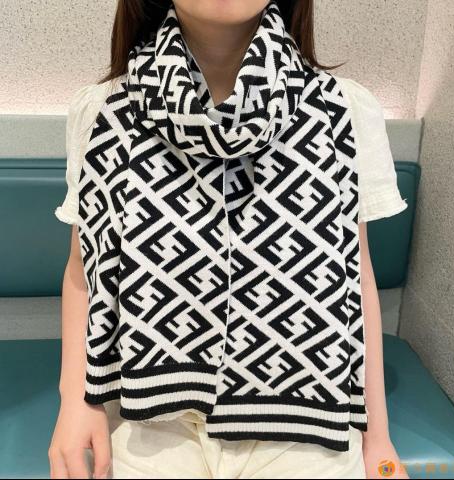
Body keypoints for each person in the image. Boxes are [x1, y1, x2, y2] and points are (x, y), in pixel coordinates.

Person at [49, 0, 410, 478]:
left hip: (306, 423)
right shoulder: (104, 111)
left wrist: (377, 438)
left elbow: (353, 276)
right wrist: (76, 402)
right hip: (149, 423)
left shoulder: (344, 109)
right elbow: (84, 270)